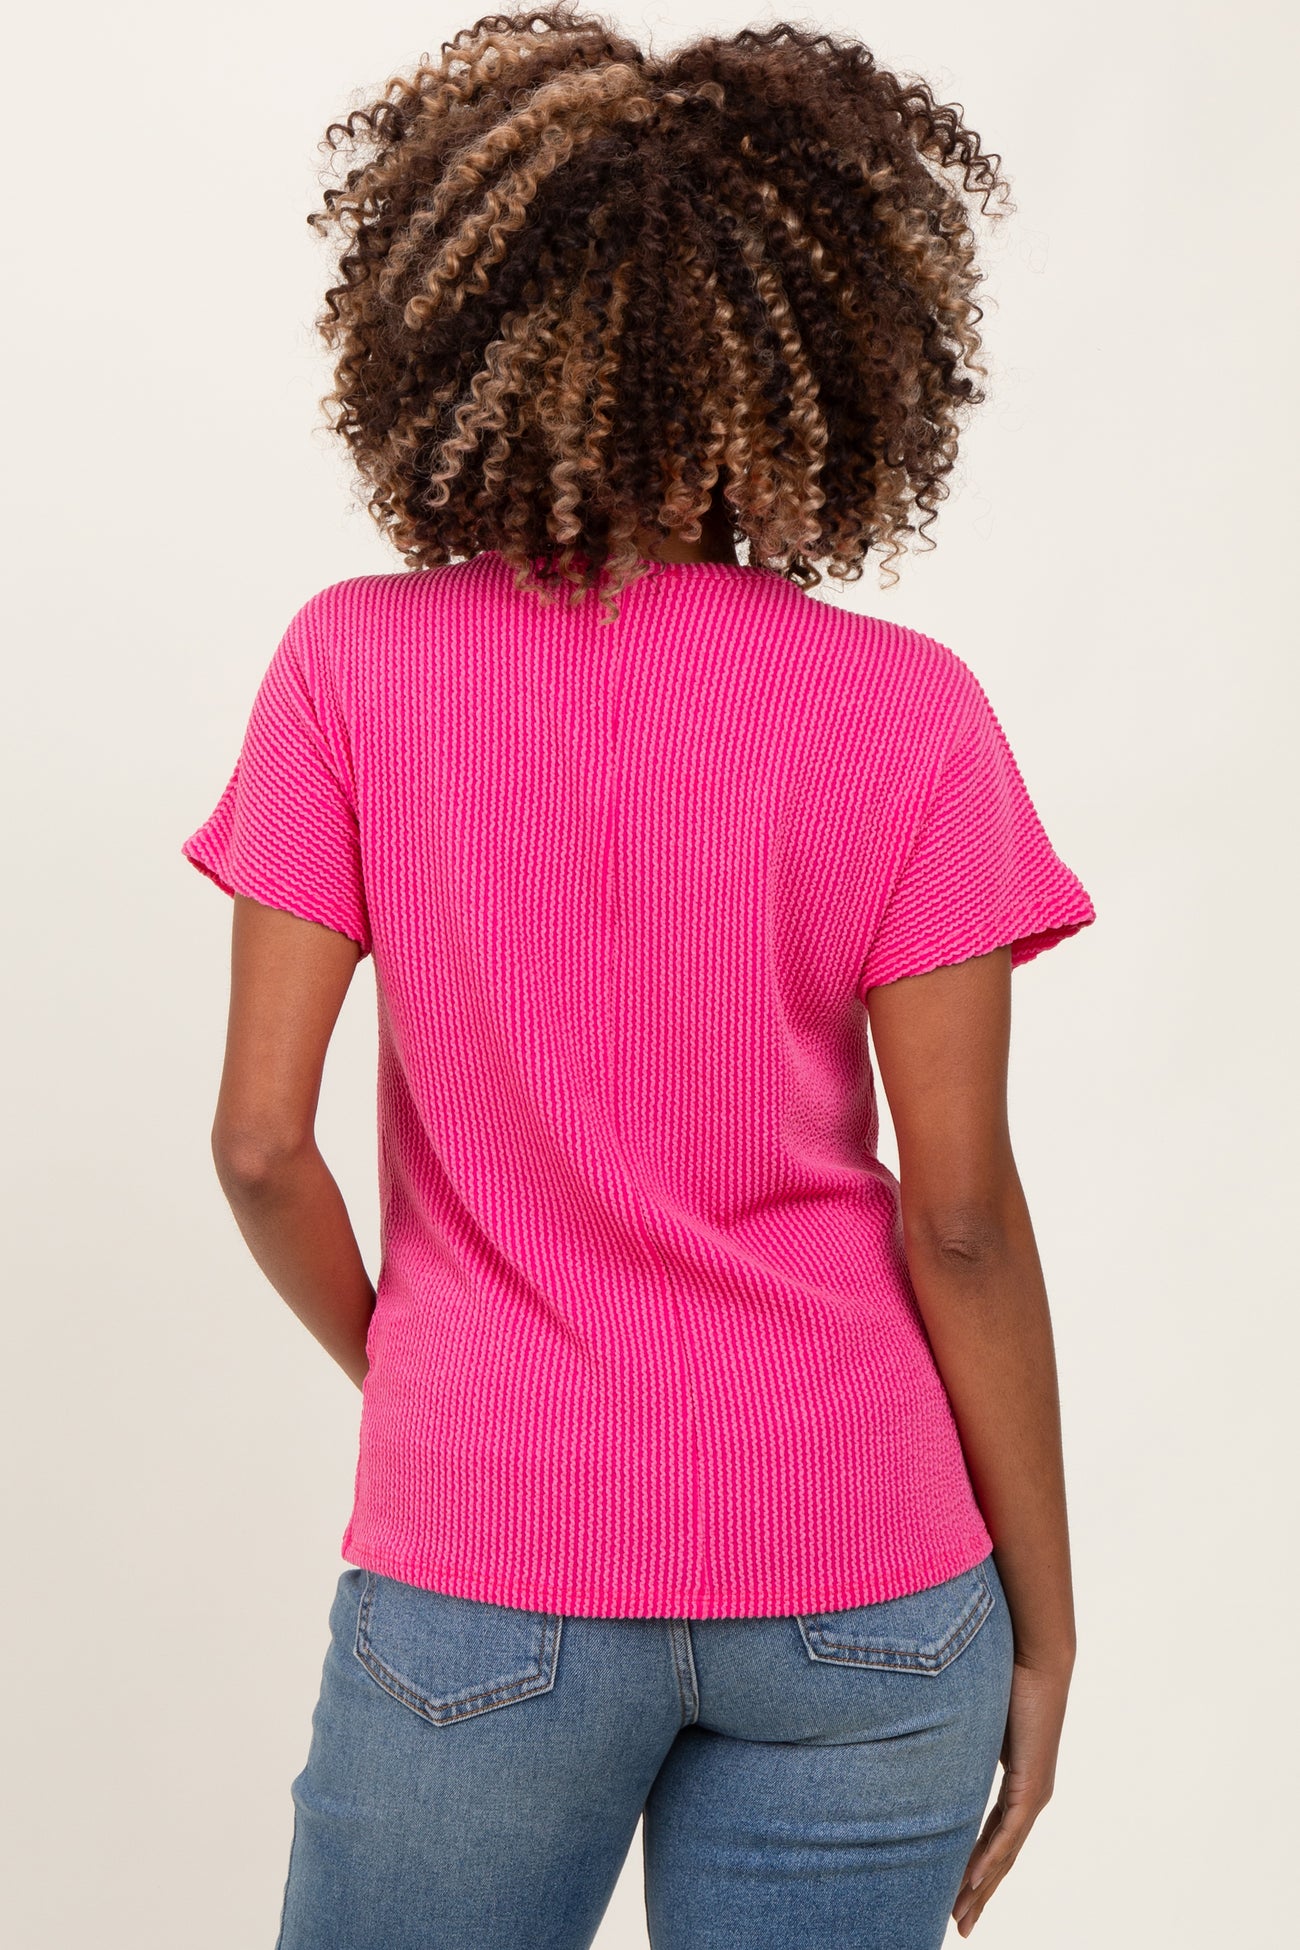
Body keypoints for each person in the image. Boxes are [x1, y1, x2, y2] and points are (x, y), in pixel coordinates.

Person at [180, 9, 1096, 1946]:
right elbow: (957, 1216)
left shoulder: (351, 666)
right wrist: (1045, 1622)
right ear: (816, 357)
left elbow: (261, 1144)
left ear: (465, 331)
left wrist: (421, 1370)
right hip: (865, 1579)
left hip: (486, 1551)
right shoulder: (906, 710)